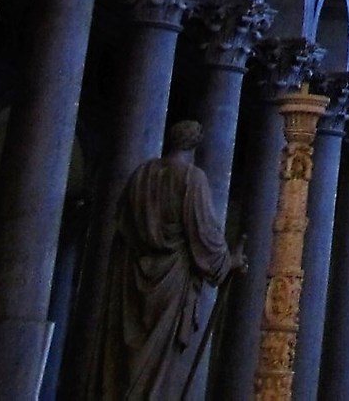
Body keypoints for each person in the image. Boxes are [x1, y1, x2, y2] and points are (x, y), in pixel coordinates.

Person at [91, 120, 240, 400]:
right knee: (160, 363)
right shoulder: (191, 179)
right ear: (195, 143)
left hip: (133, 278)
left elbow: (123, 224)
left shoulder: (141, 175)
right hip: (171, 282)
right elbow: (205, 234)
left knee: (123, 358)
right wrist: (228, 261)